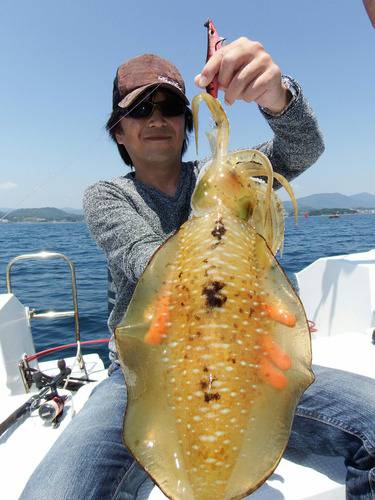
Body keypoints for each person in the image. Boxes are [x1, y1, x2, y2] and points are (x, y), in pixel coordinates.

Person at [21, 38, 375, 500]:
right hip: (139, 376)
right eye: (140, 109)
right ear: (119, 133)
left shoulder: (220, 174)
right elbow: (148, 260)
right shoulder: (107, 195)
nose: (156, 118)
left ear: (186, 124)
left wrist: (275, 96)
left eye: (169, 106)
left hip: (247, 358)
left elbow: (303, 148)